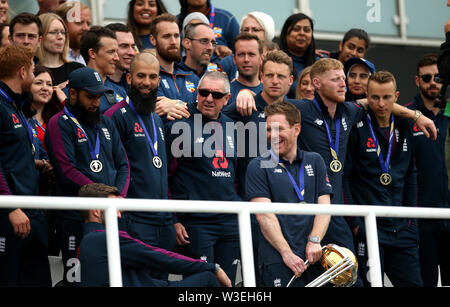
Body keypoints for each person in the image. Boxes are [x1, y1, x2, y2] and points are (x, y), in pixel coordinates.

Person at [44, 67, 130, 286]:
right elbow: (67, 171)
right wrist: (105, 197)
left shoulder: (106, 122)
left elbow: (123, 165)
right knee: (77, 279)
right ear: (72, 94)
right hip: (77, 217)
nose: (96, 103)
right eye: (90, 97)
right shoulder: (59, 123)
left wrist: (117, 198)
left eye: (99, 97)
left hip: (111, 215)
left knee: (113, 278)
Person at [343, 71, 423, 287]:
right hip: (369, 228)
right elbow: (345, 178)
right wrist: (356, 223)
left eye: (386, 97)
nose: (380, 103)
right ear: (366, 97)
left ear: (396, 96)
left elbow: (411, 175)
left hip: (402, 228)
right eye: (375, 97)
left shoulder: (405, 124)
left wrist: (411, 221)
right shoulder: (356, 125)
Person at [105, 52, 177, 280]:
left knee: (161, 281)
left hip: (163, 220)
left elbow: (161, 167)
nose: (147, 82)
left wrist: (172, 217)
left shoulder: (156, 118)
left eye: (153, 77)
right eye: (141, 76)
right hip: (135, 219)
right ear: (129, 78)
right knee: (138, 282)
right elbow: (112, 169)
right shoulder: (114, 116)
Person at [165, 71, 241, 286]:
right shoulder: (179, 123)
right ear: (196, 93)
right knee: (200, 285)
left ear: (227, 99)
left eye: (216, 95)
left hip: (229, 222)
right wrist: (173, 219)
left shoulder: (233, 126)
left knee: (228, 286)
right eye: (204, 92)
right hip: (196, 223)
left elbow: (236, 176)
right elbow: (165, 176)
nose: (209, 98)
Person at [77, 182, 231, 287]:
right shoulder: (103, 238)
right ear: (96, 212)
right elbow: (159, 257)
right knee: (208, 278)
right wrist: (212, 267)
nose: (118, 215)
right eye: (114, 208)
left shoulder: (89, 239)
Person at [246, 101, 332, 287]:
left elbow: (325, 206)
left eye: (279, 129)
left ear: (297, 129)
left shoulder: (315, 160)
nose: (273, 135)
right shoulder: (258, 164)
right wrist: (286, 253)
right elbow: (264, 216)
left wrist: (314, 241)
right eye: (269, 130)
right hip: (277, 258)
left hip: (314, 255)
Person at [0, 45, 52, 287]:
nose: (33, 76)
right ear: (22, 72)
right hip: (11, 216)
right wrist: (10, 207)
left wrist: (38, 163)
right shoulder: (1, 106)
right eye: (32, 70)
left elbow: (12, 156)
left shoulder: (16, 107)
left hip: (30, 212)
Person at [405, 53, 450, 287]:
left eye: (439, 77)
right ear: (417, 80)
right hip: (422, 220)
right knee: (426, 283)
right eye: (427, 77)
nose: (433, 82)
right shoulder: (406, 114)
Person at [150, 13, 199, 106]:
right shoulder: (148, 77)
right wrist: (191, 107)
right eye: (166, 36)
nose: (173, 42)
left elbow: (201, 114)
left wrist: (175, 104)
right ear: (153, 40)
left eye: (176, 36)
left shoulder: (192, 77)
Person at [80, 26, 129, 113]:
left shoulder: (120, 91)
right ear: (92, 53)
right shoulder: (76, 91)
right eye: (111, 52)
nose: (117, 58)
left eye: (116, 52)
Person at [279, 13, 320, 98]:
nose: (302, 33)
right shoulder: (276, 61)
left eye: (307, 30)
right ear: (286, 33)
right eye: (296, 29)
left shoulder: (319, 63)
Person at [37, 13, 84, 86]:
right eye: (53, 32)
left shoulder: (78, 70)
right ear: (40, 36)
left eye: (63, 32)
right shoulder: (31, 71)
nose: (60, 37)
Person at [226, 32, 263, 106]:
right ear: (234, 59)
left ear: (261, 59)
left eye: (251, 54)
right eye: (241, 54)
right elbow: (198, 116)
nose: (246, 59)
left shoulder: (271, 93)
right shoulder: (223, 93)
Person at [56, 1, 91, 66]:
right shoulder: (53, 58)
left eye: (88, 24)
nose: (86, 28)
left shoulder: (90, 57)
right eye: (79, 22)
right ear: (62, 23)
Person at [105, 23, 137, 93]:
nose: (132, 53)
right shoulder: (98, 85)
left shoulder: (136, 83)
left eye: (133, 47)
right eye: (124, 46)